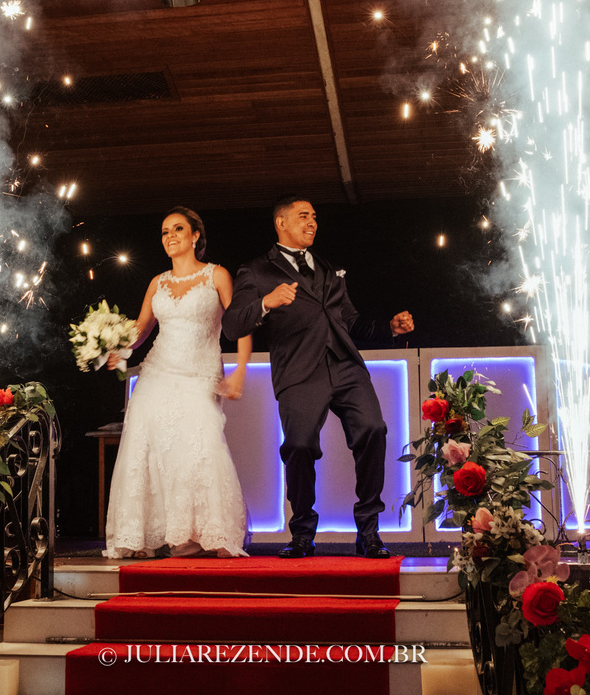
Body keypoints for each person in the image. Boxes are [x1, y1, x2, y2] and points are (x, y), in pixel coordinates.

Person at [223, 197, 414, 559]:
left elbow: (351, 322)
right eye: (303, 216)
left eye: (314, 217)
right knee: (298, 446)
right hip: (299, 371)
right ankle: (302, 533)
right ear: (281, 222)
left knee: (374, 429)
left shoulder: (329, 268)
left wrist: (389, 328)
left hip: (345, 366)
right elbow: (232, 325)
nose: (312, 222)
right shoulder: (256, 270)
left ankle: (369, 532)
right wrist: (266, 302)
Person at [103, 207, 251, 559]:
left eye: (178, 229)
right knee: (149, 450)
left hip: (199, 374)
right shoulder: (158, 282)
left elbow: (240, 324)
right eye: (165, 231)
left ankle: (203, 532)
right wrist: (116, 348)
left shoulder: (217, 275)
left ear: (195, 235)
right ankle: (150, 534)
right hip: (157, 373)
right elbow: (141, 330)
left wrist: (241, 370)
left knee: (199, 447)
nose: (170, 236)